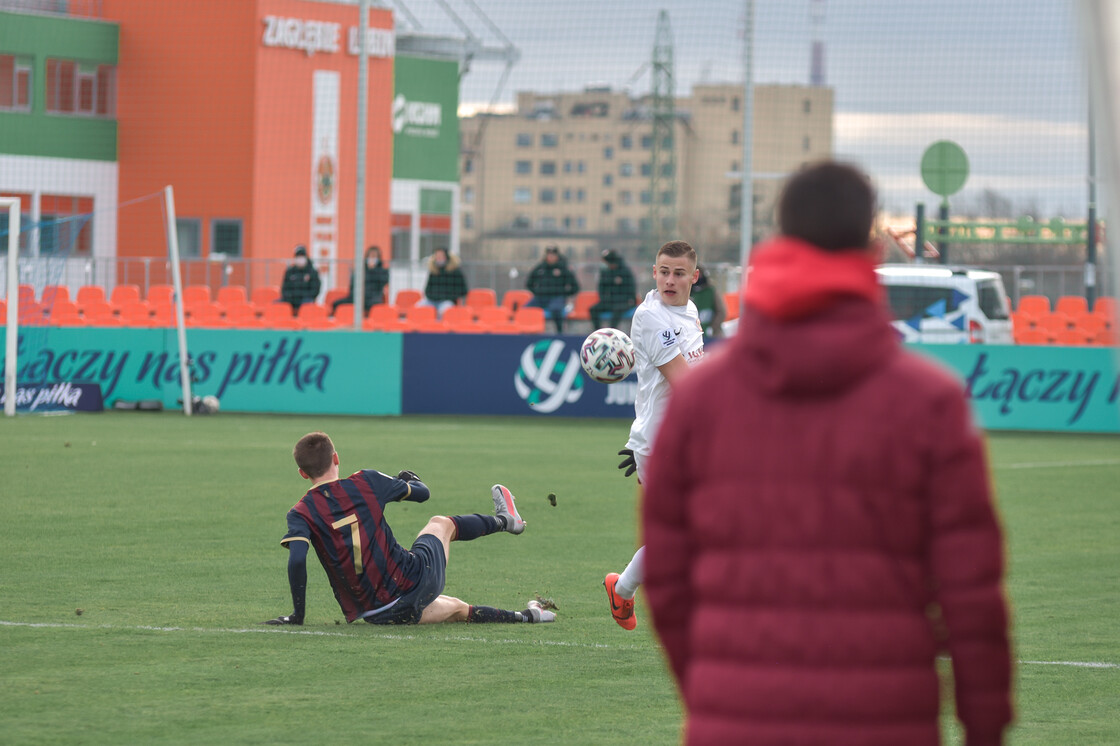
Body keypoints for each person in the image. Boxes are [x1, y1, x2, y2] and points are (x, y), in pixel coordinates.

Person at [642, 162, 1012, 744]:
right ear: (869, 242)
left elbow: (669, 575)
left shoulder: (703, 402)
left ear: (783, 234)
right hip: (885, 719)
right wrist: (985, 728)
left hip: (736, 716)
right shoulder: (930, 402)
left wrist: (714, 689)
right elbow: (971, 595)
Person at [264, 431, 556, 626]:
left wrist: (298, 615)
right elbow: (422, 493)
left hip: (378, 613)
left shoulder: (300, 512)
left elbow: (298, 558)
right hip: (412, 581)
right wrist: (407, 478)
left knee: (455, 607)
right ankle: (507, 521)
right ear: (336, 458)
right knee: (441, 524)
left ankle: (530, 616)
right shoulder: (366, 481)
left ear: (303, 473)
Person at [603, 239, 704, 631]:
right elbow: (685, 384)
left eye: (679, 273)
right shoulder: (650, 318)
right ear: (654, 272)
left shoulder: (689, 311)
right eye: (663, 271)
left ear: (694, 277)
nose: (669, 280)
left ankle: (623, 588)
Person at [526, 246, 580, 333]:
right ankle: (527, 332)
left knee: (556, 310)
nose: (551, 257)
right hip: (541, 297)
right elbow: (529, 283)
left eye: (553, 255)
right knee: (525, 310)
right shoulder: (540, 268)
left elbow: (575, 287)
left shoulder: (563, 269)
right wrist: (538, 292)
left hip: (556, 297)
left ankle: (559, 333)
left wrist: (564, 293)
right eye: (549, 255)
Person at [332, 245, 389, 316]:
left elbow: (383, 282)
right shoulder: (360, 270)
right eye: (370, 256)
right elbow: (353, 285)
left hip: (372, 298)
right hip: (357, 297)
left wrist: (373, 270)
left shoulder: (382, 271)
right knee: (336, 304)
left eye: (374, 256)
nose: (371, 259)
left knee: (374, 307)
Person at [589, 249, 637, 331]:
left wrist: (630, 300)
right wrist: (604, 299)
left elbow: (631, 288)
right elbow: (601, 287)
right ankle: (597, 332)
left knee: (616, 311)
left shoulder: (625, 271)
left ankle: (612, 332)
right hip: (610, 301)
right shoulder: (605, 272)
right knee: (593, 309)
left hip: (623, 302)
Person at [420, 248, 468, 317]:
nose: (438, 258)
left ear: (446, 257)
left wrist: (448, 297)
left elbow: (463, 290)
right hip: (432, 301)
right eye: (437, 256)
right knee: (419, 307)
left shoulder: (456, 272)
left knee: (443, 310)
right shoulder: (433, 272)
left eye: (441, 256)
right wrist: (433, 297)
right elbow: (427, 290)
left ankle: (439, 327)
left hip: (447, 301)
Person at [280, 245, 321, 314]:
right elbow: (284, 289)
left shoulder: (312, 272)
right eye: (298, 256)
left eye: (302, 256)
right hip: (291, 299)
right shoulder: (290, 272)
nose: (300, 258)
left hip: (305, 299)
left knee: (307, 305)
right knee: (277, 305)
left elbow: (315, 290)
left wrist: (301, 295)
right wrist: (290, 296)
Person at [689, 264, 727, 337]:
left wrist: (712, 327)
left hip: (712, 335)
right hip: (694, 336)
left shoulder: (711, 291)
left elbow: (721, 312)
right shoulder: (687, 292)